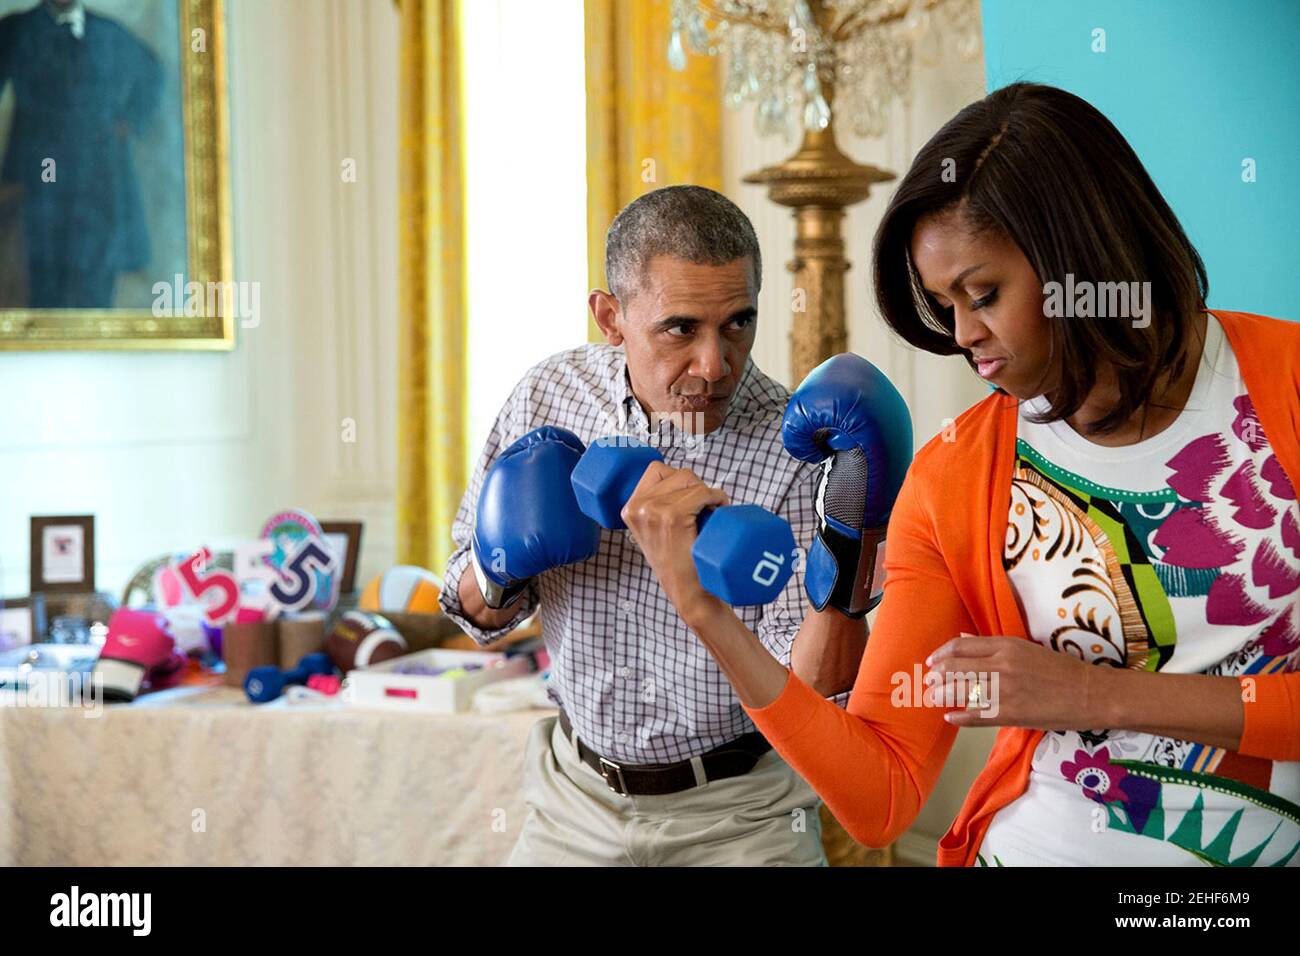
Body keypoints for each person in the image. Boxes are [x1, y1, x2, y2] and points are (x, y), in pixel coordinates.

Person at [623, 83, 1300, 866]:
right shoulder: (958, 474)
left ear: (1082, 257)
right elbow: (881, 793)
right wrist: (708, 616)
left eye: (983, 295)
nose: (964, 336)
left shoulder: (1279, 386)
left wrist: (1088, 693)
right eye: (945, 305)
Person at [439, 185, 870, 866]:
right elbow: (467, 612)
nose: (714, 365)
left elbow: (816, 690)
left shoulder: (798, 446)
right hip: (573, 804)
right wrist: (497, 567)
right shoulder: (550, 395)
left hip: (741, 816)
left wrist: (856, 532)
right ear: (611, 317)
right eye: (681, 328)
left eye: (738, 323)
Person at [0, 0, 161, 308]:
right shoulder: (15, 30)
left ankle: (94, 336)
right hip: (41, 169)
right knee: (41, 262)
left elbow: (152, 73)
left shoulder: (108, 33)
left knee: (97, 260)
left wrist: (130, 120)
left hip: (96, 171)